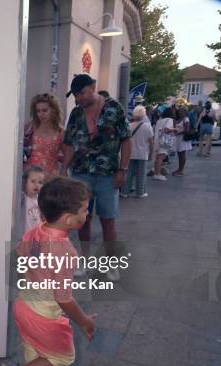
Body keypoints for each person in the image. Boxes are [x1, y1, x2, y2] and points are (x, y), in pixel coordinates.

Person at [2, 177, 97, 366]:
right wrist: (83, 320)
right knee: (63, 357)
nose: (87, 215)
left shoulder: (37, 231)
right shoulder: (66, 252)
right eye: (84, 210)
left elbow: (20, 257)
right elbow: (63, 297)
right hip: (43, 315)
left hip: (23, 305)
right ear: (68, 219)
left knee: (36, 357)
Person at [61, 74, 131, 281]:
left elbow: (126, 140)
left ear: (93, 87)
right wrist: (64, 169)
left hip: (108, 175)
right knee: (82, 220)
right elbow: (68, 143)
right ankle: (84, 260)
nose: (78, 99)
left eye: (81, 93)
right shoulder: (75, 113)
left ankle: (110, 265)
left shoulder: (113, 108)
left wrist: (123, 170)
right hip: (81, 173)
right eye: (75, 95)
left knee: (108, 221)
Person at [24, 94, 64, 179]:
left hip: (50, 176)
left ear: (53, 110)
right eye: (38, 111)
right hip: (30, 177)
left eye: (45, 110)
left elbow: (67, 155)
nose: (41, 114)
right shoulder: (29, 128)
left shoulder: (60, 132)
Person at [121, 105, 153, 198]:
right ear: (144, 115)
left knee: (129, 173)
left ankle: (125, 191)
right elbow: (151, 142)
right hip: (143, 154)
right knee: (141, 174)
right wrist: (151, 153)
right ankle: (140, 192)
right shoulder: (148, 127)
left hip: (130, 153)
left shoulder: (129, 126)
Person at [153, 107, 176, 181]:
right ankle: (157, 174)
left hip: (157, 140)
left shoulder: (159, 120)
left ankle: (157, 172)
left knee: (158, 157)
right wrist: (175, 129)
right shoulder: (169, 120)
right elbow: (167, 129)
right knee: (160, 157)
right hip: (163, 141)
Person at [21, 166, 45, 235]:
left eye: (40, 182)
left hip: (37, 235)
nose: (36, 185)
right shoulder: (23, 198)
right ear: (25, 182)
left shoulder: (40, 199)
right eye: (33, 181)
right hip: (25, 235)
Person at [172, 107, 192, 176]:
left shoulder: (186, 119)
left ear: (185, 112)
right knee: (179, 154)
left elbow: (187, 130)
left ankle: (181, 170)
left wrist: (178, 133)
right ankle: (179, 169)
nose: (180, 112)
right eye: (179, 111)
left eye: (182, 111)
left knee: (182, 154)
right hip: (178, 139)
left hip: (182, 139)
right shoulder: (178, 119)